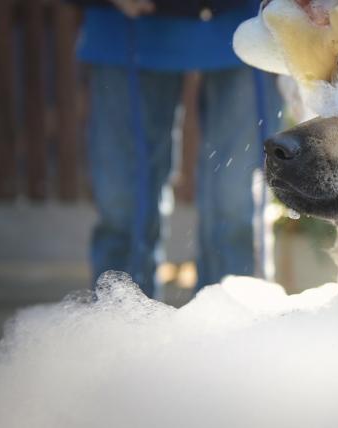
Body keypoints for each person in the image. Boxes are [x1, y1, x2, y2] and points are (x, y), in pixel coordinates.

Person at [74, 0, 280, 297]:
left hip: (248, 22)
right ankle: (118, 332)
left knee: (235, 208)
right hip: (124, 25)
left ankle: (235, 332)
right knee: (123, 210)